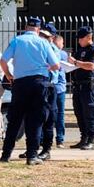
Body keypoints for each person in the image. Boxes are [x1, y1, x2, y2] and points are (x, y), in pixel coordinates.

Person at [0, 17, 60, 165]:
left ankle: (6, 154)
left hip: (20, 84)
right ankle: (32, 156)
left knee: (15, 120)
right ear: (38, 30)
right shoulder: (44, 42)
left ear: (26, 27)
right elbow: (56, 65)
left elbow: (3, 60)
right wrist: (46, 67)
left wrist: (8, 75)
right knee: (35, 120)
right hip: (39, 84)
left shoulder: (17, 40)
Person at [68, 26, 94, 150]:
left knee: (89, 112)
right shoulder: (80, 50)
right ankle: (84, 138)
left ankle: (91, 139)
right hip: (78, 85)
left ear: (89, 37)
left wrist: (76, 62)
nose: (79, 41)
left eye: (81, 38)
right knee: (79, 112)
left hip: (88, 86)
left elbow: (92, 65)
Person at [33, 23, 62, 161]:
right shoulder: (40, 47)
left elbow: (54, 65)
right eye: (41, 34)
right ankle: (34, 148)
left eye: (45, 36)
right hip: (40, 86)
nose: (42, 37)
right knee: (35, 118)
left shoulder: (53, 49)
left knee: (48, 120)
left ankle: (46, 149)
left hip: (49, 86)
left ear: (52, 37)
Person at [53, 33, 68, 148]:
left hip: (53, 87)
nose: (63, 45)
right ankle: (60, 140)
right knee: (60, 115)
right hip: (60, 88)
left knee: (48, 114)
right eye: (62, 43)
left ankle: (43, 139)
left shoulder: (47, 52)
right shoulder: (63, 54)